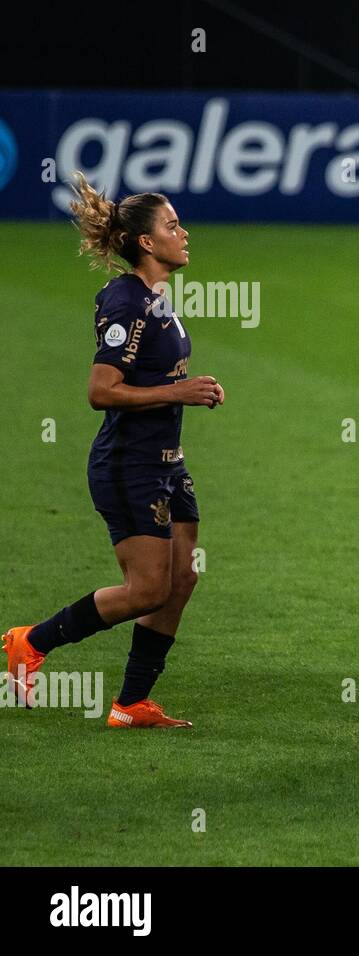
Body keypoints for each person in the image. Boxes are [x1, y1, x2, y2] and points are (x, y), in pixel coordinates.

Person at [4, 172, 223, 729]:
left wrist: (190, 389)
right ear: (147, 243)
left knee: (182, 577)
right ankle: (31, 641)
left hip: (167, 463)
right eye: (173, 226)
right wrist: (180, 391)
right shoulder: (126, 301)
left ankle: (131, 703)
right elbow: (101, 391)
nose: (185, 232)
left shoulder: (157, 299)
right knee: (148, 588)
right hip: (129, 465)